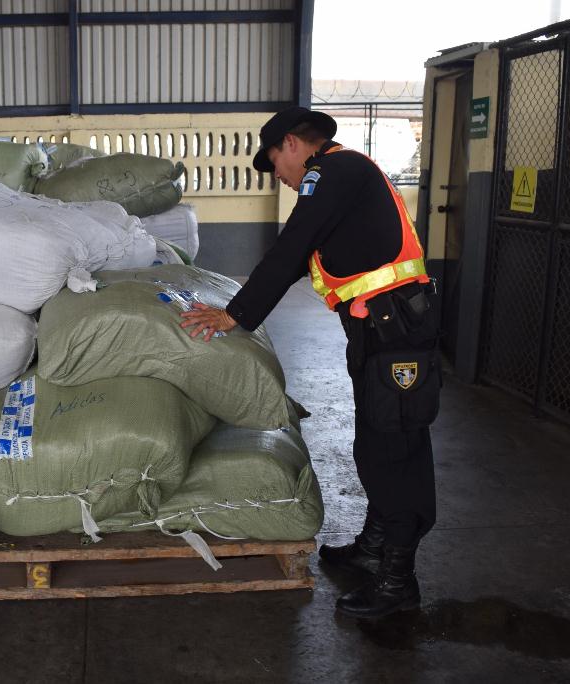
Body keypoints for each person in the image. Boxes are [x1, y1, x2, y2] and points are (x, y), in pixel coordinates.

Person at [180, 107, 440, 619]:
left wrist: (235, 315)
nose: (277, 174)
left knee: (396, 450)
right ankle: (375, 546)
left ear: (293, 144)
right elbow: (303, 257)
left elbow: (292, 247)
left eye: (275, 161)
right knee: (375, 440)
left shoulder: (333, 172)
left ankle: (397, 581)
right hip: (380, 330)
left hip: (396, 334)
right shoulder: (342, 177)